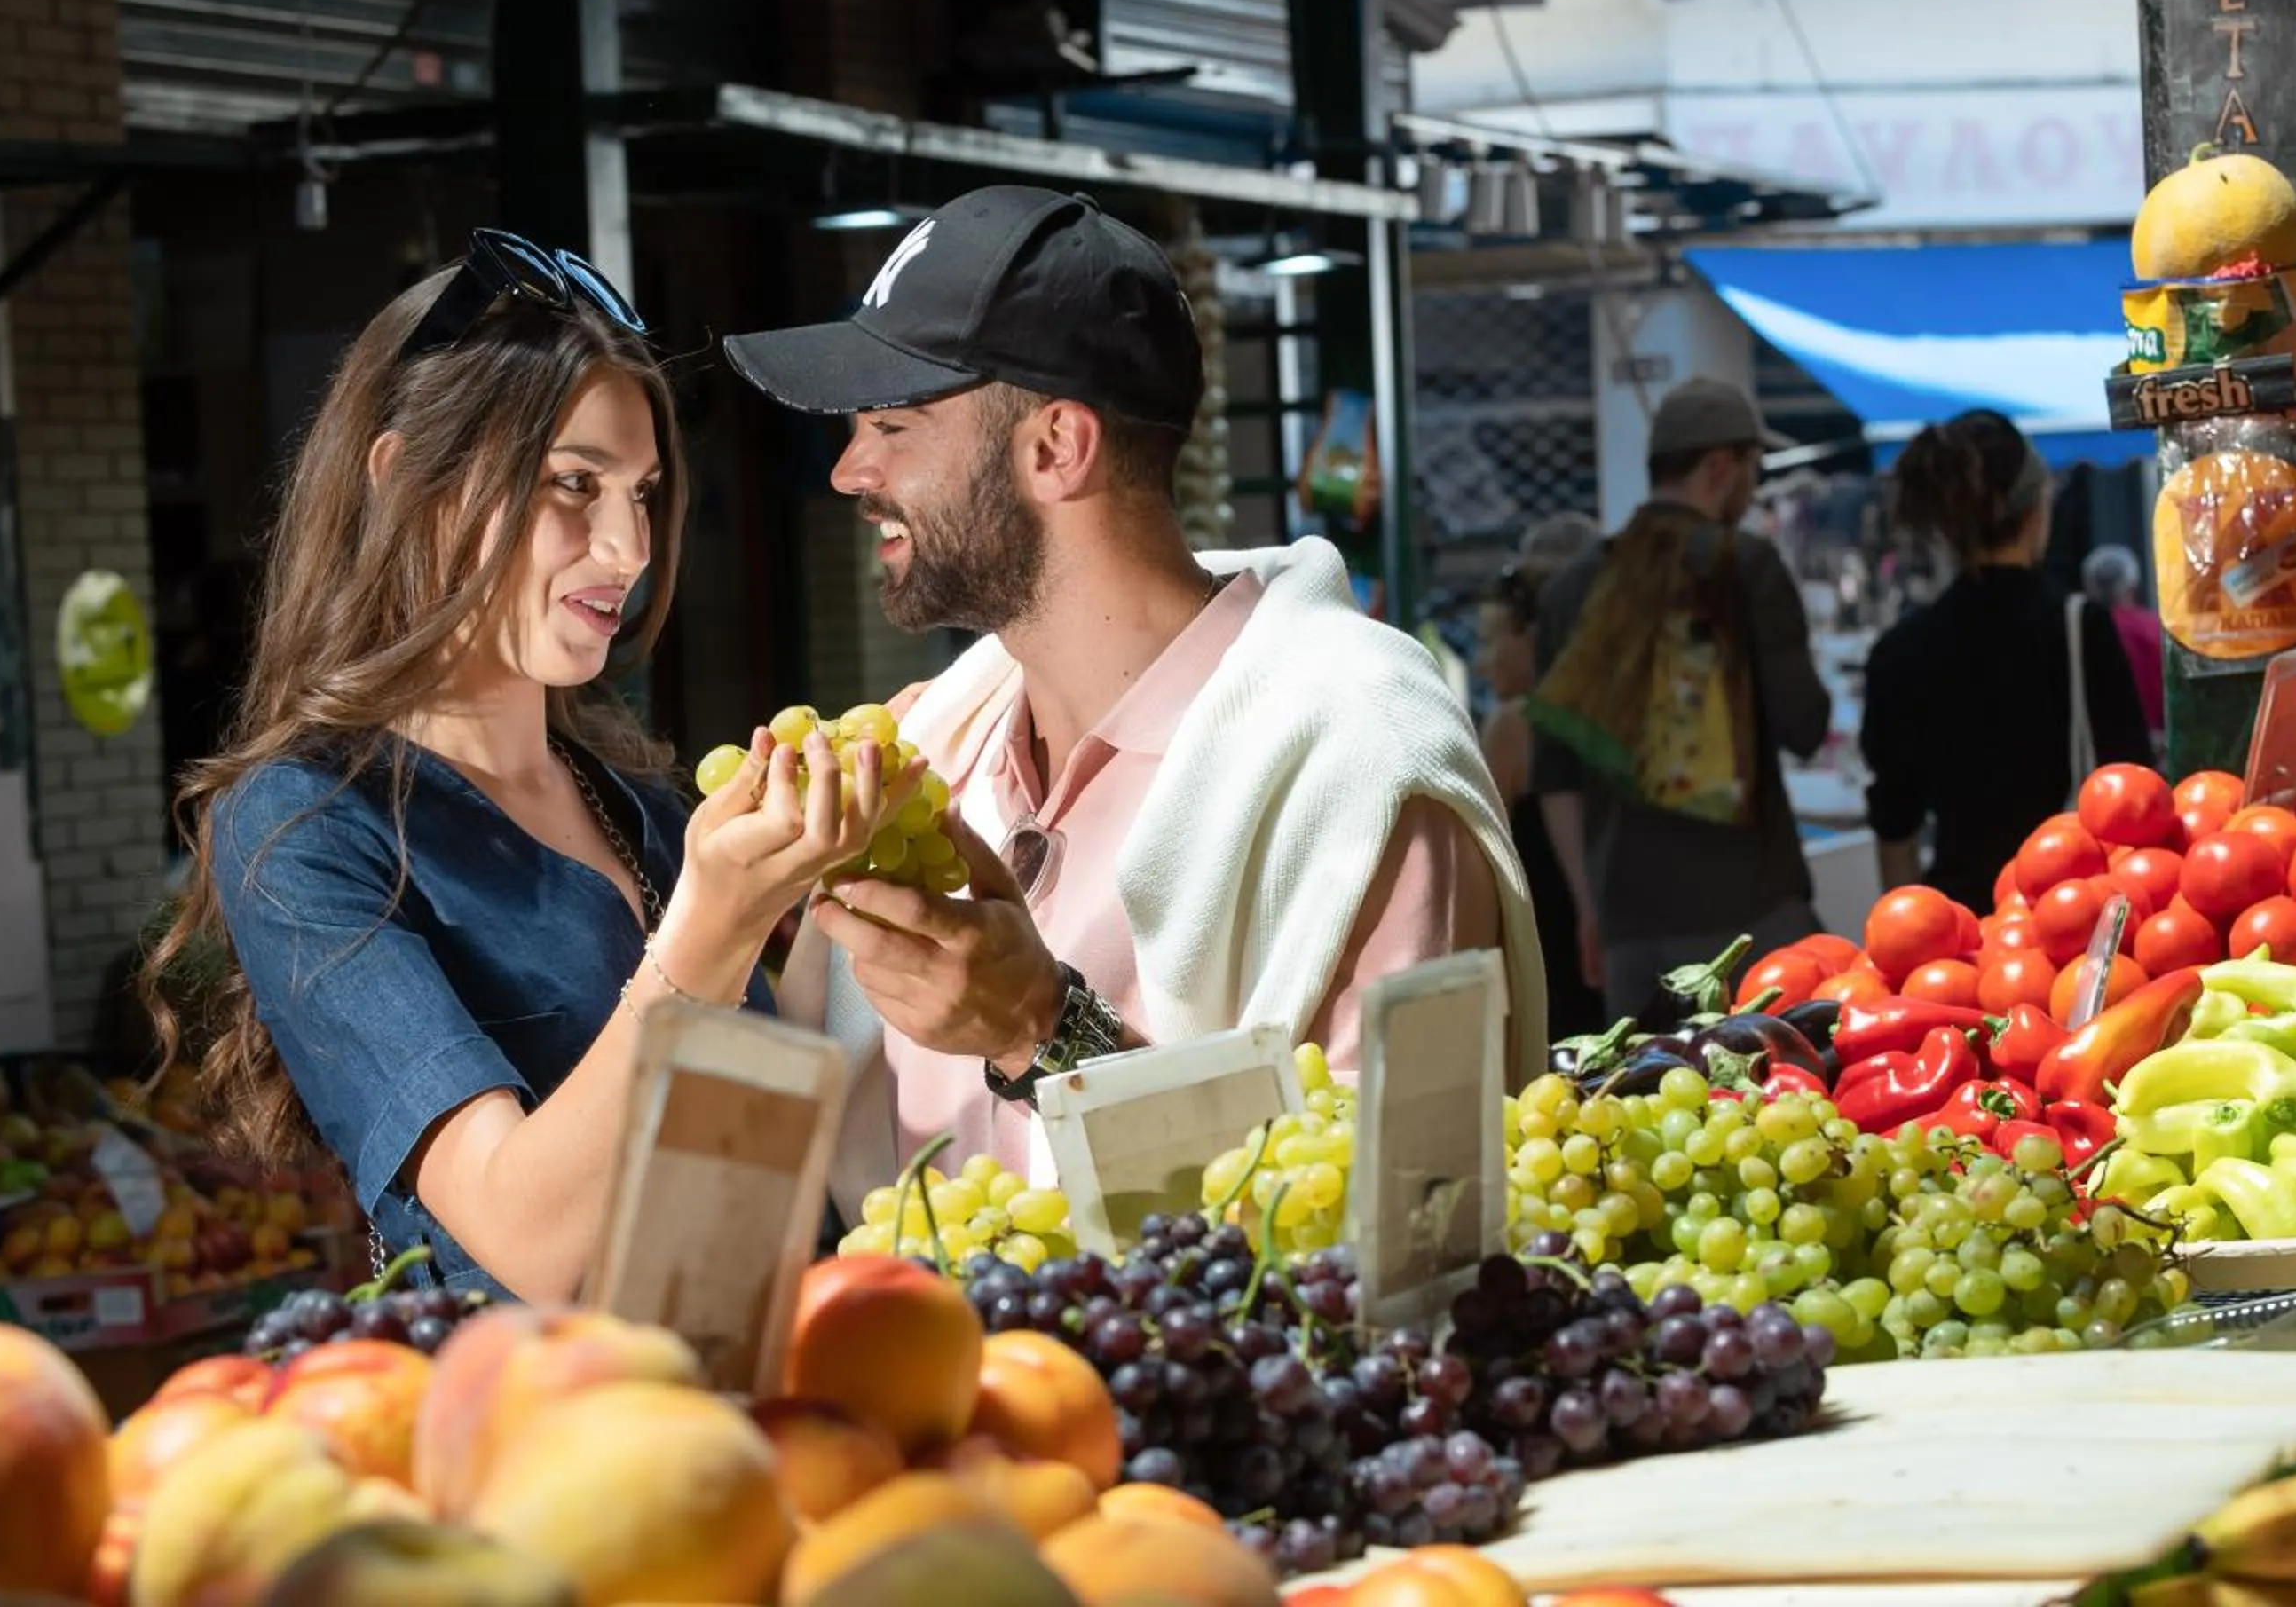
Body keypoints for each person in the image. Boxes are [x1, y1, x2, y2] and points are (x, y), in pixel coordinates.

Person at [725, 185, 1545, 1205]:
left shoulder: (1362, 763)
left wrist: (1044, 1028)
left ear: (1056, 447)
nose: (851, 471)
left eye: (894, 423)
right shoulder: (935, 741)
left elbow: (1402, 1213)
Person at [143, 232, 873, 1303]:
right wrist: (709, 930)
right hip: (545, 1403)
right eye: (574, 483)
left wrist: (848, 910)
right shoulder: (305, 830)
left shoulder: (636, 806)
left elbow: (763, 1160)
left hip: (775, 1380)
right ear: (405, 481)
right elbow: (530, 1243)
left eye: (642, 492)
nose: (629, 547)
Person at [1527, 378, 1833, 1021]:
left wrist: (1589, 908)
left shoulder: (1571, 589)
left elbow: (1555, 777)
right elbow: (1804, 724)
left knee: (1651, 1079)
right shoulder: (1745, 565)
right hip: (1753, 914)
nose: (1753, 486)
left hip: (1629, 923)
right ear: (1720, 467)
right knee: (1778, 1075)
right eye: (1752, 468)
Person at [1864, 411, 2151, 908]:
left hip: (1961, 915)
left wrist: (1916, 941)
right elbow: (2134, 786)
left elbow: (1895, 829)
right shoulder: (2080, 626)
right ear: (2036, 508)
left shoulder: (1900, 649)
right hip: (2074, 908)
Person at [1476, 514, 1606, 1040]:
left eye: (1492, 640)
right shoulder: (1618, 713)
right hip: (1616, 943)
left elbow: (1483, 870)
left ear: (1533, 633)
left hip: (1551, 964)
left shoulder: (1513, 728)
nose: (1484, 662)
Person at [2083, 543, 2166, 744]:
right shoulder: (2153, 629)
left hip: (2099, 743)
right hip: (2153, 742)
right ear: (2132, 585)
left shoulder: (2082, 632)